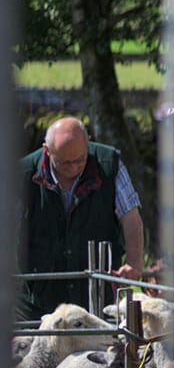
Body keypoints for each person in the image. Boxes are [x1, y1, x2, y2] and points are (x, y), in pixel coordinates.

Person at [18, 117, 145, 322]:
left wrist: (134, 262)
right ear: (47, 151)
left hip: (97, 294)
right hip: (37, 297)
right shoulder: (22, 174)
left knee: (99, 350)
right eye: (64, 162)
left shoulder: (108, 164)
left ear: (88, 143)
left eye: (79, 159)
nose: (72, 167)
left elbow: (131, 217)